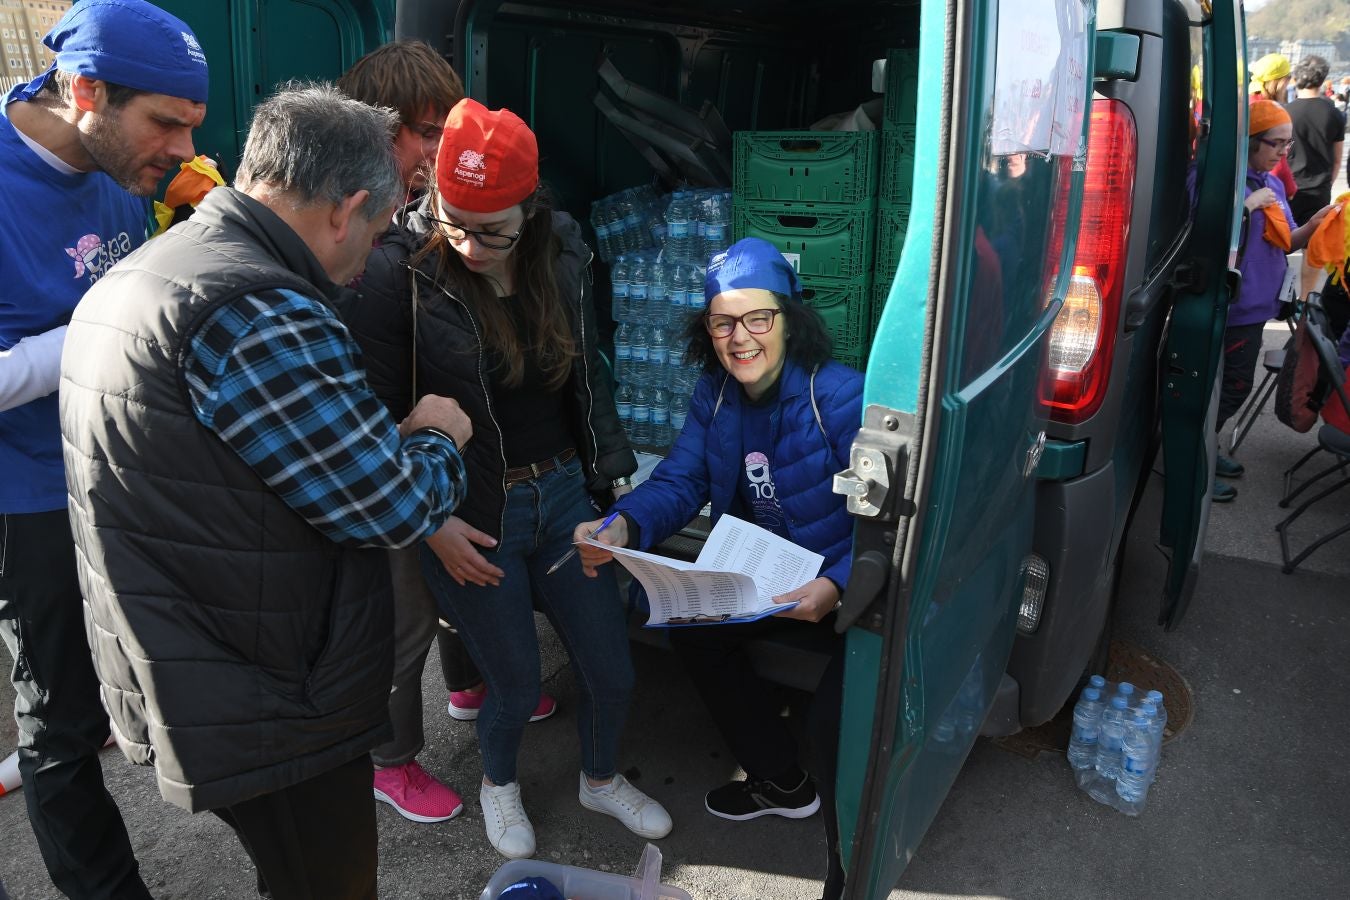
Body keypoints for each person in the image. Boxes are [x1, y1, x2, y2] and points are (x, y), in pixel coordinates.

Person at [59, 83, 473, 899]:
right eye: (378, 232)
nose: (371, 257)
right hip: (269, 698)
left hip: (192, 660)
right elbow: (393, 507)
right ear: (345, 210)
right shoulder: (257, 309)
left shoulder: (159, 267)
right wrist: (435, 435)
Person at [343, 97, 671, 860]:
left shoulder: (564, 251)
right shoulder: (398, 272)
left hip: (564, 495)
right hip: (469, 510)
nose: (468, 243)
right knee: (515, 684)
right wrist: (431, 524)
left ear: (532, 208)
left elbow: (587, 380)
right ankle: (500, 784)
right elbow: (370, 417)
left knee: (612, 669)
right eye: (452, 220)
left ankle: (599, 778)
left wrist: (608, 482)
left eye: (492, 229)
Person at [575, 237, 864, 900]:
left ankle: (849, 868)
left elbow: (894, 526)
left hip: (850, 587)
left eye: (758, 318)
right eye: (723, 322)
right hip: (770, 577)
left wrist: (837, 584)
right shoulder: (717, 394)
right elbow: (681, 479)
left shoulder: (840, 398)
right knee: (694, 630)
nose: (740, 337)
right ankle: (780, 781)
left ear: (790, 318)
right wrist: (622, 525)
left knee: (834, 724)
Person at [0, 2, 207, 896]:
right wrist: (105, 322)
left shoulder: (126, 162)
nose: (182, 148)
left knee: (139, 669)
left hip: (118, 463)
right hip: (29, 496)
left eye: (192, 125)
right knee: (58, 726)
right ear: (85, 91)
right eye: (166, 123)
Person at [337, 36, 546, 827]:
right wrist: (428, 516)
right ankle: (389, 761)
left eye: (443, 129)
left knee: (457, 590)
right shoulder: (366, 240)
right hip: (393, 467)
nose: (438, 149)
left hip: (438, 452)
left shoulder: (417, 215)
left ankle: (471, 687)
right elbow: (370, 396)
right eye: (427, 132)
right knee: (404, 621)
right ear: (377, 126)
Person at [1214, 100, 1334, 502]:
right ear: (1250, 141)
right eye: (1276, 143)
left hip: (1259, 307)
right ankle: (1195, 460)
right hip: (1234, 307)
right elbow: (1207, 236)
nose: (1284, 152)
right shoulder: (1220, 180)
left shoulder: (1274, 183)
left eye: (1288, 144)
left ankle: (1205, 451)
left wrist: (1313, 225)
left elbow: (1285, 242)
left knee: (1231, 386)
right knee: (1231, 388)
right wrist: (1245, 208)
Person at [1286, 56, 1345, 229]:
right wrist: (1327, 184)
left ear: (1297, 77)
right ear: (1322, 78)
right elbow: (1337, 159)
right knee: (1313, 241)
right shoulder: (1333, 113)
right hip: (1319, 190)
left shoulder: (1286, 112)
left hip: (1289, 187)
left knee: (1283, 237)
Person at [1248, 53, 1298, 199]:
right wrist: (1289, 188)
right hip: (1260, 186)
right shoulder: (1266, 110)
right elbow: (1277, 158)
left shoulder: (1247, 101)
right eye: (1288, 78)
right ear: (1280, 82)